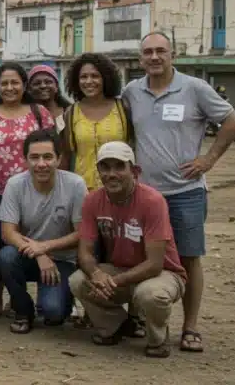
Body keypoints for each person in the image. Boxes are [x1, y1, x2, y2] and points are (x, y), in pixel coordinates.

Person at [121, 32, 235, 353]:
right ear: (140, 57)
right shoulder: (132, 91)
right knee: (142, 257)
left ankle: (190, 327)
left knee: (188, 257)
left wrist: (209, 159)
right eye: (148, 52)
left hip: (186, 192)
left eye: (161, 51)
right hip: (144, 196)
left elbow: (232, 120)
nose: (155, 57)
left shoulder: (195, 88)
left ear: (172, 54)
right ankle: (142, 318)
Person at [70, 142, 187, 358]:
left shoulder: (153, 201)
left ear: (135, 171)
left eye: (119, 167)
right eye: (105, 167)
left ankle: (158, 339)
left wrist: (113, 281)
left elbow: (155, 263)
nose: (111, 174)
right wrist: (97, 274)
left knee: (151, 294)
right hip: (118, 269)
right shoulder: (92, 200)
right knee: (78, 280)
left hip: (163, 274)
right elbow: (84, 251)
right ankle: (115, 327)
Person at [0, 62, 54, 318]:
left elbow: (52, 149)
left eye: (15, 82)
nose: (9, 88)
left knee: (29, 242)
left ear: (24, 85)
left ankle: (32, 298)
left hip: (32, 192)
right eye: (4, 83)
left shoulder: (39, 113)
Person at [0, 129, 86, 333]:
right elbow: (8, 233)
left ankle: (59, 300)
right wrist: (39, 254)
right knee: (6, 256)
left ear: (59, 159)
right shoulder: (15, 184)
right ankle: (22, 311)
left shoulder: (75, 185)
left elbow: (81, 233)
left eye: (48, 157)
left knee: (53, 314)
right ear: (25, 159)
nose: (41, 164)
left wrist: (44, 247)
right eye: (34, 157)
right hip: (28, 256)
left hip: (63, 259)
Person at [60, 53, 132, 190]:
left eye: (95, 76)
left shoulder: (123, 108)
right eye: (83, 77)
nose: (88, 81)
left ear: (106, 78)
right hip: (83, 190)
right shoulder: (70, 113)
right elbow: (66, 156)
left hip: (120, 188)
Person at [28, 65, 70, 131]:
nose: (43, 86)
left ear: (56, 87)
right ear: (29, 89)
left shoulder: (70, 112)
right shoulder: (25, 115)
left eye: (48, 82)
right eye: (37, 83)